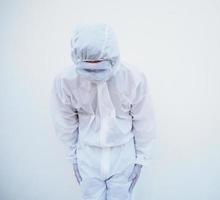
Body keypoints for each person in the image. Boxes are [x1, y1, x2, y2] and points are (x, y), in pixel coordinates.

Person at [50, 23, 156, 200]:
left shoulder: (132, 78)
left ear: (113, 58)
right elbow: (64, 121)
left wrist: (141, 158)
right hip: (88, 155)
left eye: (100, 68)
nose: (94, 74)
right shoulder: (66, 81)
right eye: (88, 68)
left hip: (123, 155)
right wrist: (73, 156)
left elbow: (144, 119)